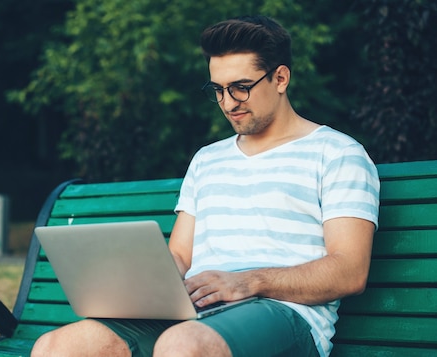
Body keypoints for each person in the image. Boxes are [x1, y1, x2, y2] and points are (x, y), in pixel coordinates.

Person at [30, 15, 379, 357]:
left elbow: (350, 270)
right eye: (218, 90)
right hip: (194, 311)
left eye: (241, 87)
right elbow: (181, 256)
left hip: (285, 314)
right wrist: (133, 283)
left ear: (281, 78)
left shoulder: (338, 153)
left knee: (182, 346)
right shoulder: (207, 159)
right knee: (56, 347)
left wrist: (249, 281)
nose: (228, 103)